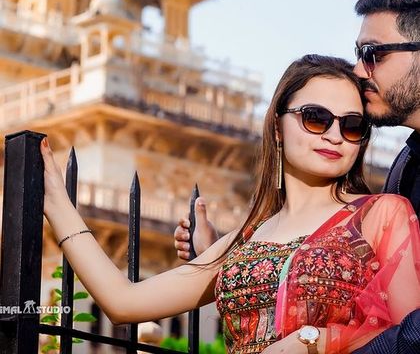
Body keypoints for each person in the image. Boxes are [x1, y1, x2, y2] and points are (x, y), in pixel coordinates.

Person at [42, 54, 420, 354]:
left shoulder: (380, 215)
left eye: (352, 125)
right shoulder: (248, 239)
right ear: (277, 127)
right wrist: (58, 206)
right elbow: (123, 302)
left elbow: (409, 340)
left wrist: (316, 341)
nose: (335, 135)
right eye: (316, 118)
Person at [174, 0, 420, 354]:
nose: (358, 69)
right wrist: (231, 263)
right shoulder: (407, 165)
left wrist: (317, 344)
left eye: (372, 53)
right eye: (316, 118)